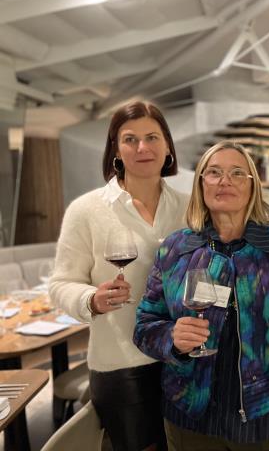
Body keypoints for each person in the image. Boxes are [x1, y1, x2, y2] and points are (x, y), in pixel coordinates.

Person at [133, 141, 269, 451]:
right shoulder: (175, 249)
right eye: (214, 172)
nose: (225, 180)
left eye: (237, 173)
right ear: (201, 184)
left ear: (253, 186)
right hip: (188, 414)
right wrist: (172, 336)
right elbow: (145, 325)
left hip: (262, 416)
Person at [49, 101, 188, 451]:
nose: (143, 148)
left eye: (152, 137)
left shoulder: (190, 206)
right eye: (130, 139)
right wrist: (90, 300)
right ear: (115, 149)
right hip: (124, 366)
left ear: (168, 146)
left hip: (184, 359)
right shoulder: (87, 210)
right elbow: (61, 284)